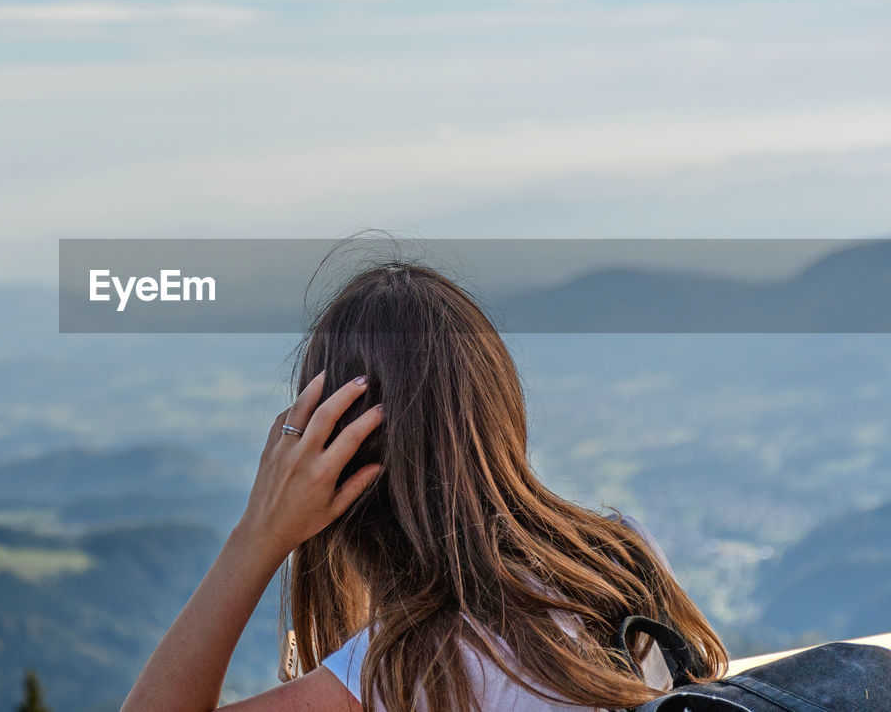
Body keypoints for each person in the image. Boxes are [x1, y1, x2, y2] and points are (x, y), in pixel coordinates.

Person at [121, 262, 728, 712]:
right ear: (496, 408)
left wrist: (258, 534)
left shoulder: (405, 670)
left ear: (335, 459)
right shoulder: (620, 555)